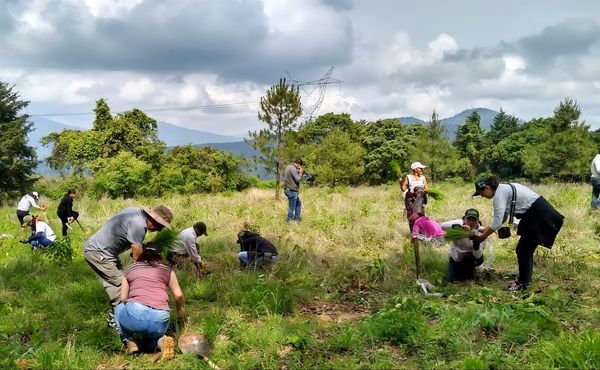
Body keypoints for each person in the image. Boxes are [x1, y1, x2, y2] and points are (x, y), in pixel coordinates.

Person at [83, 205, 173, 329]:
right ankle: (119, 325)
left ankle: (114, 319)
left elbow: (136, 247)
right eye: (160, 226)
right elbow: (136, 256)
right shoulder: (139, 225)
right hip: (98, 253)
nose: (159, 230)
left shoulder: (135, 213)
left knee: (119, 286)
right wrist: (141, 277)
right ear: (154, 220)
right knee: (122, 286)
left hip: (106, 253)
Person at [472, 175, 564, 291]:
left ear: (486, 188)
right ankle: (525, 282)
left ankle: (523, 284)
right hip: (537, 215)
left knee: (523, 251)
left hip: (540, 217)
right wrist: (485, 230)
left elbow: (497, 222)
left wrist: (481, 237)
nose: (482, 196)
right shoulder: (504, 189)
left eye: (481, 193)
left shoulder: (499, 195)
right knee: (525, 250)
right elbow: (503, 216)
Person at [114, 244, 183, 360]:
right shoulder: (167, 270)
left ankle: (129, 341)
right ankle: (161, 341)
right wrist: (180, 315)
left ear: (142, 254)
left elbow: (123, 298)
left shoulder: (131, 268)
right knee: (148, 344)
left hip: (136, 314)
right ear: (159, 256)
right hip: (160, 318)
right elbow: (179, 295)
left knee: (118, 308)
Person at [440, 209, 487, 282]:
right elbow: (442, 226)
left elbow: (478, 256)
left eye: (474, 220)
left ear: (478, 221)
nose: (471, 222)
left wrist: (476, 245)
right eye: (469, 219)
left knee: (466, 275)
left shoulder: (481, 232)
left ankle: (470, 274)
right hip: (456, 257)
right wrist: (459, 227)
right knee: (451, 279)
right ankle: (461, 271)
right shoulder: (459, 226)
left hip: (471, 258)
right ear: (464, 219)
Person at [401, 162, 429, 231]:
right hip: (411, 200)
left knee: (420, 216)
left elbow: (426, 188)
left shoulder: (423, 178)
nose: (422, 170)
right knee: (411, 216)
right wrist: (401, 184)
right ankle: (413, 233)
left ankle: (421, 232)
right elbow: (404, 188)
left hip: (420, 199)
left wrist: (423, 191)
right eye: (420, 168)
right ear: (415, 169)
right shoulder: (409, 177)